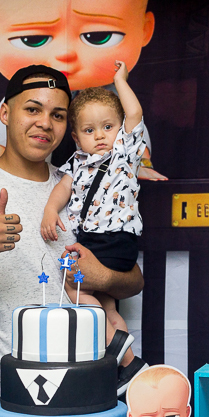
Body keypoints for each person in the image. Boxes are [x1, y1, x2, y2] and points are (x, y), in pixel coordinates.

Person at [0, 65, 145, 417]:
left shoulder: (79, 182)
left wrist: (103, 277)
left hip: (97, 390)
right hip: (15, 394)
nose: (45, 123)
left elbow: (134, 280)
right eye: (33, 109)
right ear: (6, 113)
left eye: (58, 115)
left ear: (68, 127)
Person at [0, 0, 165, 181]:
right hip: (38, 182)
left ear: (144, 30)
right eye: (32, 39)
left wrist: (140, 161)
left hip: (102, 187)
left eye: (98, 36)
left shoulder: (112, 99)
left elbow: (133, 127)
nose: (65, 54)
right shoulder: (25, 95)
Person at [41, 60, 146, 365]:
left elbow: (135, 114)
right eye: (89, 130)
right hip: (93, 242)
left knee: (70, 284)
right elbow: (62, 188)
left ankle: (95, 320)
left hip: (113, 242)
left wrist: (120, 80)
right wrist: (50, 208)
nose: (100, 135)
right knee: (112, 307)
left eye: (108, 127)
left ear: (120, 128)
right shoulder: (77, 161)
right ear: (76, 137)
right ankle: (128, 363)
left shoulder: (123, 154)